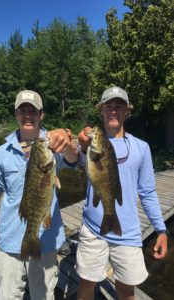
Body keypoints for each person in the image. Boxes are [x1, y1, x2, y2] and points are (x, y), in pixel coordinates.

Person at [0, 89, 78, 300]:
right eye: (23, 110)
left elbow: (74, 159)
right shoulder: (2, 153)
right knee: (8, 295)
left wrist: (67, 140)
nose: (28, 115)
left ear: (41, 114)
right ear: (16, 114)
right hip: (10, 238)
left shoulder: (53, 144)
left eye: (33, 111)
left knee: (43, 295)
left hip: (45, 239)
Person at [76, 86, 168, 300]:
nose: (114, 110)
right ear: (101, 111)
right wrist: (81, 146)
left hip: (127, 232)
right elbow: (77, 159)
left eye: (119, 106)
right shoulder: (89, 145)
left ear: (127, 112)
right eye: (109, 106)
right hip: (92, 229)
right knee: (86, 284)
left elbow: (147, 192)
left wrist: (161, 230)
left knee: (126, 291)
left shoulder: (141, 147)